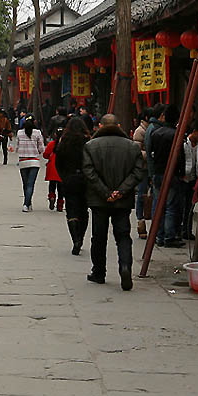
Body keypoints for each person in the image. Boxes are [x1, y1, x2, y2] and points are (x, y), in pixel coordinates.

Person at [82, 114, 146, 290]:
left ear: (100, 126)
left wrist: (105, 193)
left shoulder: (90, 146)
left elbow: (89, 172)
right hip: (122, 201)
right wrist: (121, 191)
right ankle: (125, 267)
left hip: (99, 200)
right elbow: (138, 173)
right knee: (123, 236)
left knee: (98, 237)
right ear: (118, 125)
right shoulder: (132, 147)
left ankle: (99, 272)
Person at [54, 117, 91, 254]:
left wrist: (63, 177)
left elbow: (58, 162)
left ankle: (75, 239)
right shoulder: (87, 141)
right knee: (83, 210)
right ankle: (80, 236)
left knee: (71, 209)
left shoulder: (64, 141)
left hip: (69, 179)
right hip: (85, 179)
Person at [150, 104, 184, 248]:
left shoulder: (155, 133)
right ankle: (169, 236)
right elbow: (180, 156)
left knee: (160, 204)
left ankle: (159, 235)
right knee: (170, 205)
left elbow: (151, 153)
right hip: (171, 173)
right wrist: (181, 172)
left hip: (158, 171)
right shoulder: (175, 134)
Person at [16, 116, 45, 212]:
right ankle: (27, 203)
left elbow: (17, 147)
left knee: (25, 184)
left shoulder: (20, 133)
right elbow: (41, 148)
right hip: (34, 161)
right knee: (30, 184)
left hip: (23, 161)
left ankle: (27, 203)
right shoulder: (37, 133)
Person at [180, 121, 198, 240]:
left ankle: (187, 230)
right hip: (183, 178)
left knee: (190, 206)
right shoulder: (184, 143)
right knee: (181, 205)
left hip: (194, 179)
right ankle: (180, 229)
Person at [132, 110, 150, 239]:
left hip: (148, 167)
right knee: (141, 194)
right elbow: (137, 152)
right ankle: (140, 220)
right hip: (143, 168)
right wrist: (150, 155)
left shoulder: (147, 130)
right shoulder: (140, 131)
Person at [43, 131, 65, 211]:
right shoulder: (66, 145)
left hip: (52, 167)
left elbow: (45, 155)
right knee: (61, 187)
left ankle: (52, 197)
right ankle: (60, 204)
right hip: (62, 167)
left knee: (52, 184)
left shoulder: (51, 144)